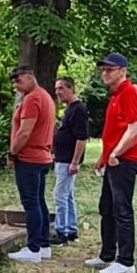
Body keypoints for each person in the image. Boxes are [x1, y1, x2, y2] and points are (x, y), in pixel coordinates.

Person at [83, 55, 137, 273]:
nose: (105, 74)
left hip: (125, 160)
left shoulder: (128, 93)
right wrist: (104, 155)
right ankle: (107, 254)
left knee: (121, 208)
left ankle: (126, 261)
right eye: (103, 70)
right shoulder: (116, 95)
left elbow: (134, 129)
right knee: (107, 207)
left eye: (110, 70)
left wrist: (116, 153)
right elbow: (115, 130)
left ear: (123, 71)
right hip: (113, 159)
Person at [4, 68, 56, 263]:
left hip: (30, 158)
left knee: (31, 203)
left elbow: (25, 132)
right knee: (39, 201)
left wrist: (12, 153)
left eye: (18, 81)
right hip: (42, 157)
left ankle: (33, 248)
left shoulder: (33, 98)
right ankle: (43, 245)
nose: (16, 86)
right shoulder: (46, 96)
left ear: (30, 77)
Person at [50, 78, 89, 245]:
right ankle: (72, 229)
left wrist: (75, 162)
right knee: (68, 195)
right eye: (56, 88)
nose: (58, 92)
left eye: (61, 88)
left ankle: (61, 231)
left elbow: (81, 138)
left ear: (71, 89)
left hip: (68, 160)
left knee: (60, 196)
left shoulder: (78, 109)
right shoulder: (69, 109)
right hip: (62, 158)